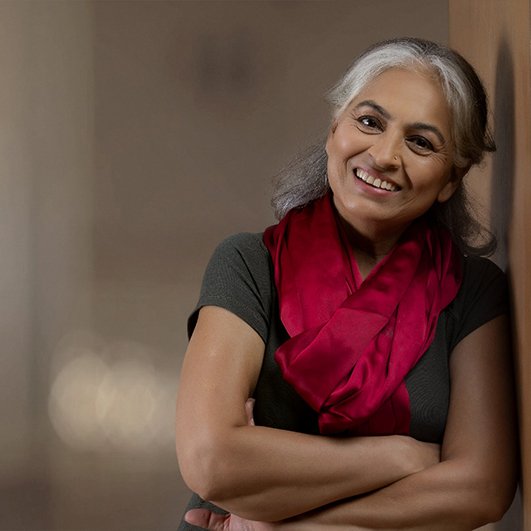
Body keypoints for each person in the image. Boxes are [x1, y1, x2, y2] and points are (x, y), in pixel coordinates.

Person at [175, 37, 518, 530]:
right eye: (369, 122)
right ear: (335, 128)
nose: (383, 155)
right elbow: (210, 460)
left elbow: (480, 490)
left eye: (421, 142)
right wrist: (403, 458)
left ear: (450, 179)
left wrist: (279, 522)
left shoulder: (473, 292)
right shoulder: (248, 263)